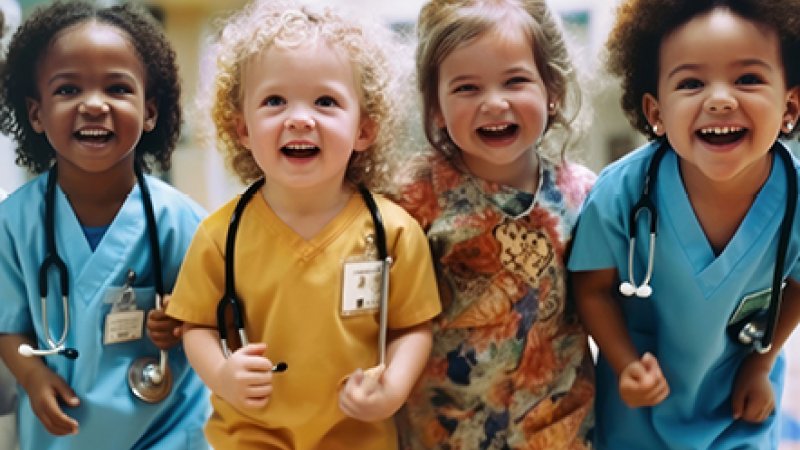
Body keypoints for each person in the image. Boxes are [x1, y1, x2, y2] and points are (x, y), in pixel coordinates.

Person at [164, 1, 441, 449]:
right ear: (243, 130)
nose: (299, 118)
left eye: (326, 101)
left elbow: (413, 328)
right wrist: (222, 374)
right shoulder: (220, 236)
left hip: (356, 437)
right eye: (274, 101)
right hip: (253, 435)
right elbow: (197, 326)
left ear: (363, 130)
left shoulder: (393, 232)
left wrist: (392, 388)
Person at [568, 0, 800, 448]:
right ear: (655, 112)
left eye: (748, 79)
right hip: (640, 410)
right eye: (691, 82)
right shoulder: (622, 193)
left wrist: (759, 365)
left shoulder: (794, 199)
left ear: (790, 103)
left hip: (741, 401)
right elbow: (592, 287)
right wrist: (625, 364)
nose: (719, 98)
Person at [0, 1, 210, 449]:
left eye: (117, 88)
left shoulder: (182, 223)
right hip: (61, 434)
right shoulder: (13, 223)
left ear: (150, 111)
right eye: (67, 90)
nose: (93, 105)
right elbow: (9, 328)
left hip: (167, 431)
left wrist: (180, 324)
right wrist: (33, 375)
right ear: (35, 114)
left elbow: (212, 323)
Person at [391, 0, 596, 448]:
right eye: (467, 88)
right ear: (437, 108)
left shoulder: (585, 196)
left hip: (558, 430)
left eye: (516, 81)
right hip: (445, 433)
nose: (494, 102)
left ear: (552, 90)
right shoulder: (412, 200)